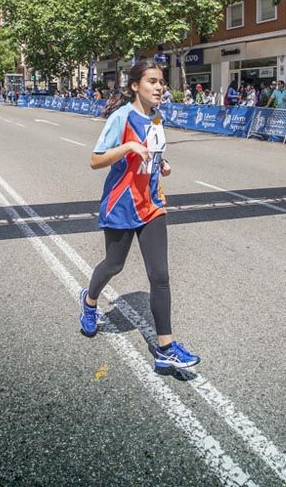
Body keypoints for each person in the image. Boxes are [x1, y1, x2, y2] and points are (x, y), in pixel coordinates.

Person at [81, 61, 200, 370]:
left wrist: (162, 164)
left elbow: (152, 152)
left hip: (152, 204)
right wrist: (129, 146)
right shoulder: (120, 118)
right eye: (152, 81)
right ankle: (90, 301)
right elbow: (95, 161)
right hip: (121, 204)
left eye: (162, 81)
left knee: (159, 276)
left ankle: (166, 349)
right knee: (114, 264)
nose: (160, 86)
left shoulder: (158, 118)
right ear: (135, 85)